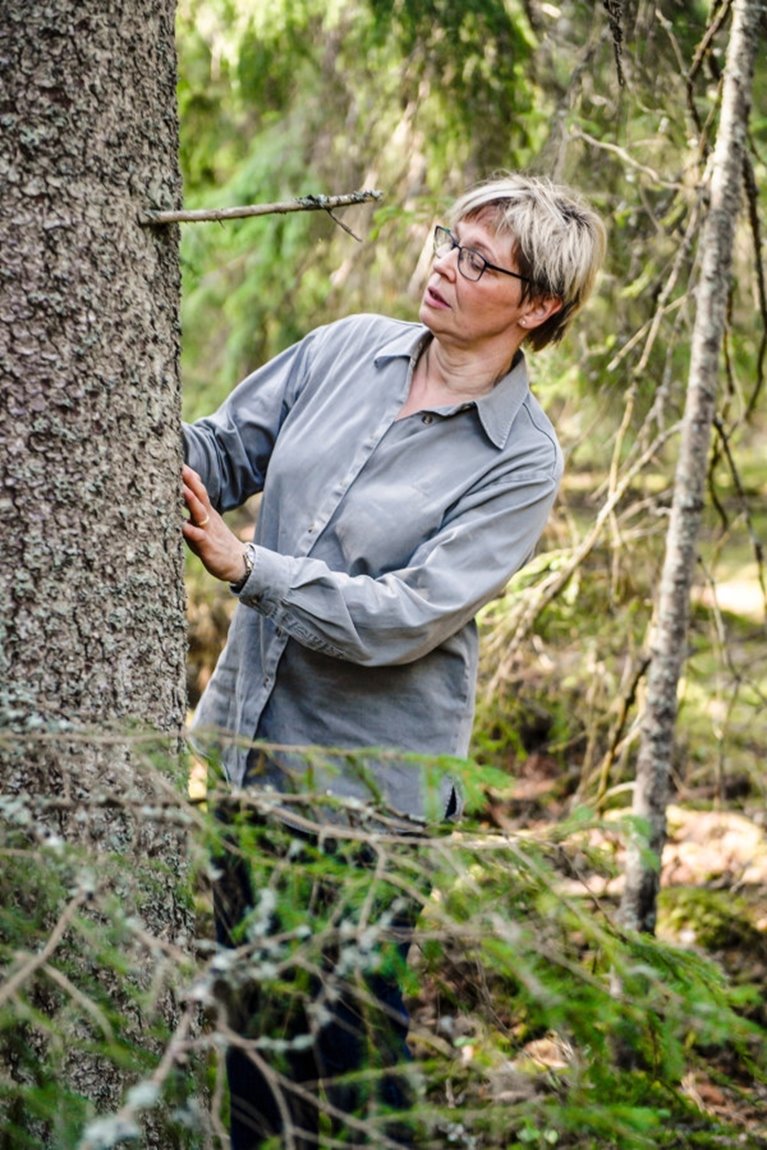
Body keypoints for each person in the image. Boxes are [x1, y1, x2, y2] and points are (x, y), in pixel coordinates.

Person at [182, 172, 606, 1147]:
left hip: (364, 795)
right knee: (248, 1047)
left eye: (476, 261)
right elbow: (224, 446)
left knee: (350, 1070)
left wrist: (250, 567)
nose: (442, 267)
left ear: (535, 305)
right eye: (445, 241)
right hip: (248, 754)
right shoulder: (346, 347)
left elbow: (405, 616)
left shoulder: (519, 456)